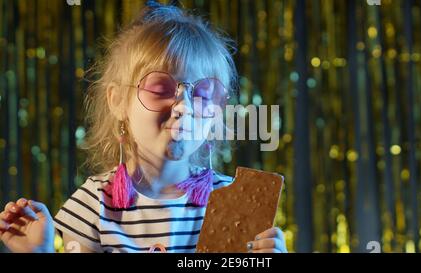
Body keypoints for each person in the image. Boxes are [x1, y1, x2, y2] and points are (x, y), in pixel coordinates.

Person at [0, 1, 287, 253]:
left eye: (202, 94)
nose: (184, 107)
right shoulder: (93, 205)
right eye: (161, 88)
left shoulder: (236, 204)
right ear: (118, 101)